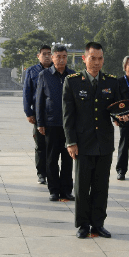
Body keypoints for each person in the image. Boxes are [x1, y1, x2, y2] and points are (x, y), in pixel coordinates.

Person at [63, 42, 129, 239]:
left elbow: (117, 109)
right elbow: (68, 116)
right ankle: (83, 224)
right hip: (82, 143)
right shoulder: (72, 81)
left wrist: (122, 117)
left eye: (100, 58)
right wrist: (70, 142)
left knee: (101, 186)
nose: (97, 62)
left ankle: (98, 224)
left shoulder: (111, 81)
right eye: (93, 58)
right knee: (82, 186)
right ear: (84, 59)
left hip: (104, 143)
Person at [36, 45, 76, 201]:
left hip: (69, 125)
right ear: (52, 58)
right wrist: (40, 122)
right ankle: (53, 190)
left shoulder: (73, 76)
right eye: (58, 56)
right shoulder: (44, 75)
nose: (61, 59)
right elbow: (39, 100)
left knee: (68, 159)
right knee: (51, 159)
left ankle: (66, 190)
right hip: (51, 124)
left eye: (64, 56)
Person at [23, 45, 52, 185]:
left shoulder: (57, 70)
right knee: (40, 145)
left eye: (49, 54)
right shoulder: (31, 71)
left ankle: (52, 172)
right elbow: (27, 93)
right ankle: (41, 173)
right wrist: (28, 113)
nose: (47, 56)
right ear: (38, 56)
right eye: (44, 54)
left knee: (54, 146)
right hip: (38, 115)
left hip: (54, 115)